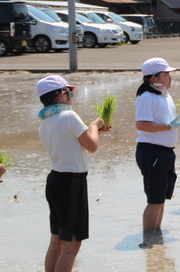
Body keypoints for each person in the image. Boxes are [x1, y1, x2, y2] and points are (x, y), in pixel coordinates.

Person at [37, 75, 111, 272]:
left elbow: (74, 143)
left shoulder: (45, 123)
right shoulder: (70, 116)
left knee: (56, 240)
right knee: (72, 245)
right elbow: (92, 146)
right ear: (62, 95)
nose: (71, 99)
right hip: (72, 183)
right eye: (70, 94)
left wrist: (94, 132)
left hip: (55, 180)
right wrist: (94, 126)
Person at [135, 58, 180, 247]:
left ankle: (156, 235)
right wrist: (168, 126)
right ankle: (148, 240)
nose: (170, 77)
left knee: (162, 198)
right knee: (155, 199)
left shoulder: (164, 95)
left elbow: (167, 121)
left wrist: (178, 121)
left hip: (165, 152)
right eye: (166, 74)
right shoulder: (147, 97)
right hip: (152, 152)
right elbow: (141, 125)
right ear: (153, 78)